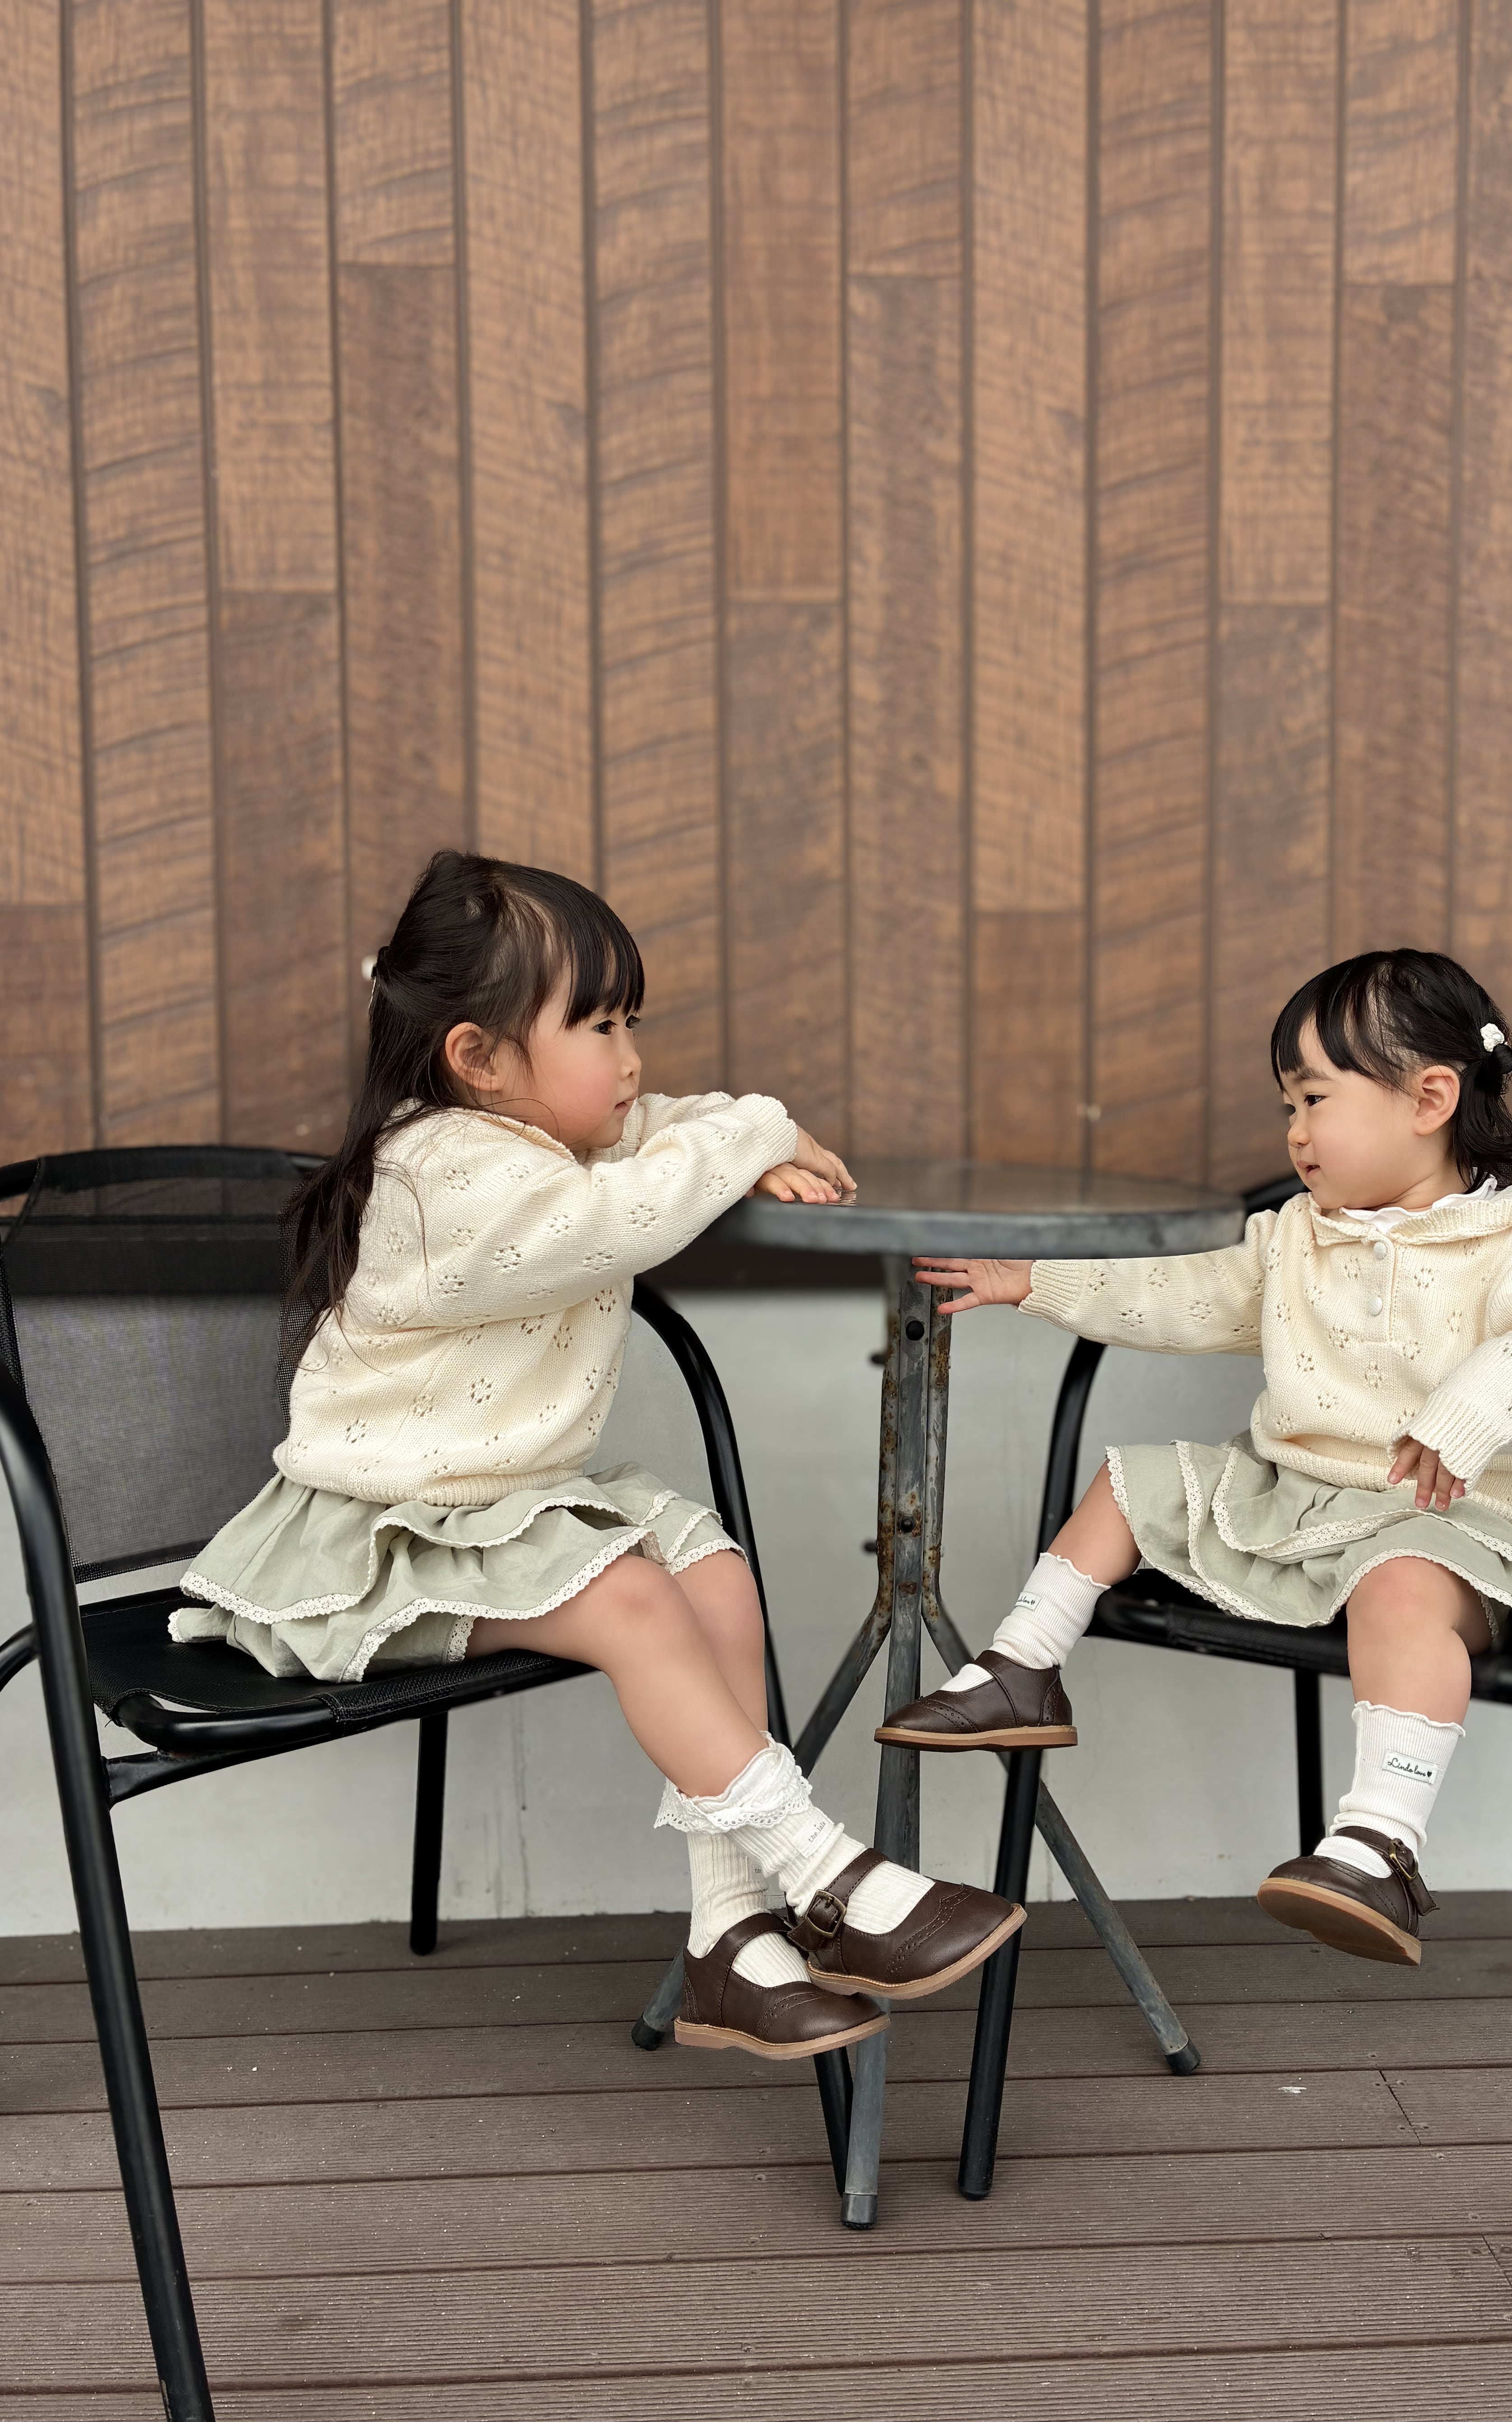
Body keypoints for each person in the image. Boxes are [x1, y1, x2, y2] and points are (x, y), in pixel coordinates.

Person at [175, 850, 1021, 2059]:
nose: (630, 1060)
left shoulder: (541, 1135)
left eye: (633, 1022)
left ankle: (730, 1934)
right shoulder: (443, 1171)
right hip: (381, 1533)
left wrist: (740, 1138)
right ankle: (827, 1871)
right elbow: (615, 1217)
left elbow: (658, 1131)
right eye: (600, 1025)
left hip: (498, 1513)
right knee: (631, 1599)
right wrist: (758, 1130)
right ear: (477, 1057)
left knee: (711, 1575)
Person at [877, 948, 1512, 1967]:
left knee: (1400, 1587)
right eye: (1286, 1105)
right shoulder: (1297, 1236)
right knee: (1131, 1481)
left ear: (1430, 1099)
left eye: (1315, 1099)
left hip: (1459, 1522)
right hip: (1304, 1501)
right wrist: (1037, 1282)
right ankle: (1023, 1666)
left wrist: (1475, 1404)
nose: (1294, 1131)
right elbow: (1184, 1292)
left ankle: (1378, 1843)